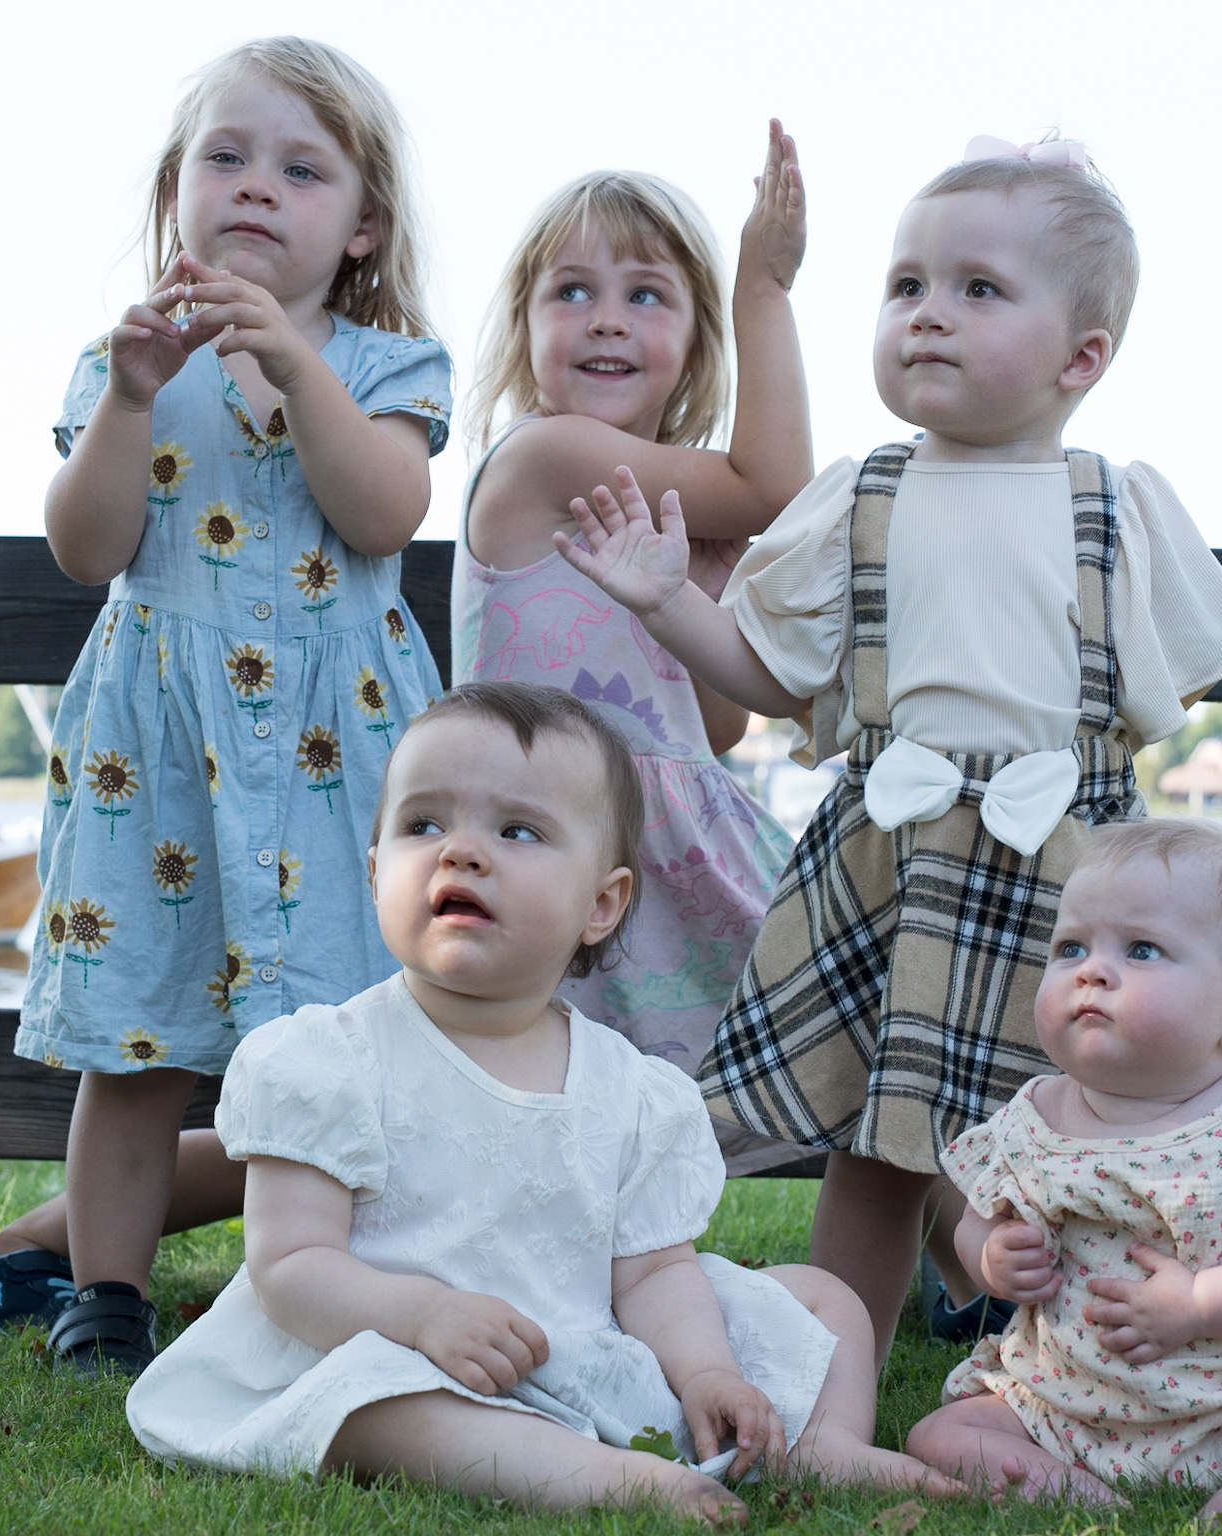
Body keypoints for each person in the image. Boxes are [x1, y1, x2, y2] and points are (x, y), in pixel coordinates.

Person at [555, 134, 1222, 1367]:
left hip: (1072, 876)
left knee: (1086, 1130)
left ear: (1080, 356)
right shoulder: (857, 496)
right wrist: (667, 605)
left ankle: (1086, 1370)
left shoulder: (1113, 503)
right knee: (880, 1151)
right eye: (905, 286)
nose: (927, 315)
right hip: (891, 859)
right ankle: (836, 1381)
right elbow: (771, 680)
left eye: (977, 289)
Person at [0, 37, 453, 1377]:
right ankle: (104, 1292)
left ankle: (357, 1280)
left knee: (361, 1032)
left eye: (301, 168)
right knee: (140, 1037)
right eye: (226, 157)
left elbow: (385, 509)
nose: (256, 188)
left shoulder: (387, 365)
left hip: (342, 750)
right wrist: (127, 396)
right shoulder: (128, 363)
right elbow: (86, 547)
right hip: (159, 752)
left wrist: (292, 361)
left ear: (362, 228)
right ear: (178, 192)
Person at [125, 682, 957, 1518]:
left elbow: (654, 1273)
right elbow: (290, 1269)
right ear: (377, 872)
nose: (461, 852)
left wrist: (707, 1371)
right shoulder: (328, 1059)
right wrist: (425, 1317)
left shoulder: (631, 1092)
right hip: (394, 1346)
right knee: (375, 1402)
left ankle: (821, 1445)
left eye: (516, 830)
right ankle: (609, 1479)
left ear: (602, 904)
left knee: (821, 1299)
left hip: (581, 1340)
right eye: (423, 825)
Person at [904, 819, 1222, 1526]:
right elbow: (976, 1225)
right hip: (1067, 1401)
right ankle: (1074, 1487)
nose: (1091, 969)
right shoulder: (1031, 1120)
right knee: (938, 1434)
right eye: (1070, 947)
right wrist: (993, 1259)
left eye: (1142, 950)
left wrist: (1203, 1304)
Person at [454, 131, 811, 1172]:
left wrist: (692, 589)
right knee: (448, 1122)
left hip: (662, 859)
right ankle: (54, 1238)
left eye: (646, 296)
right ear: (523, 337)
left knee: (847, 1023)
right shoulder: (543, 455)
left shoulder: (670, 512)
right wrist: (765, 286)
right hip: (551, 851)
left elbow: (717, 722)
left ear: (691, 348)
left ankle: (963, 1257)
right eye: (571, 291)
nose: (606, 316)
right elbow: (779, 486)